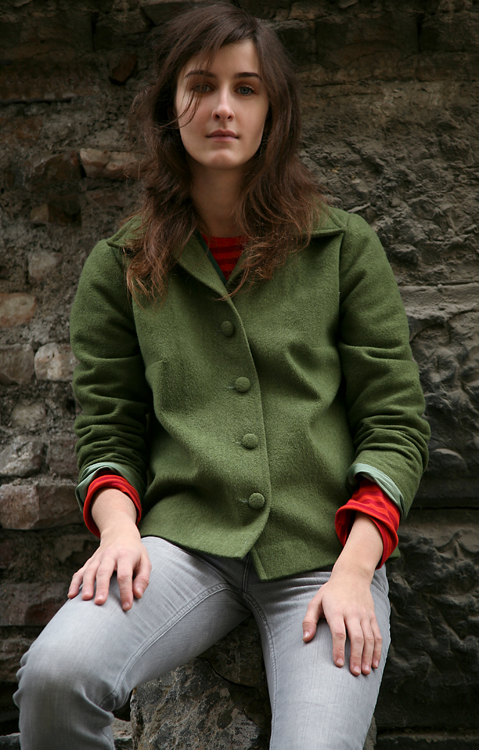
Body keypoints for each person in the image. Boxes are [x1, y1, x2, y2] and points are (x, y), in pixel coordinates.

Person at [14, 4, 430, 749]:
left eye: (246, 88)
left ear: (274, 110)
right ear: (170, 106)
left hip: (323, 557)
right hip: (183, 547)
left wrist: (355, 569)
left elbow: (395, 423)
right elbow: (108, 427)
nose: (222, 107)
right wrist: (118, 530)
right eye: (201, 86)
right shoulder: (119, 265)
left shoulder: (342, 247)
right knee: (53, 677)